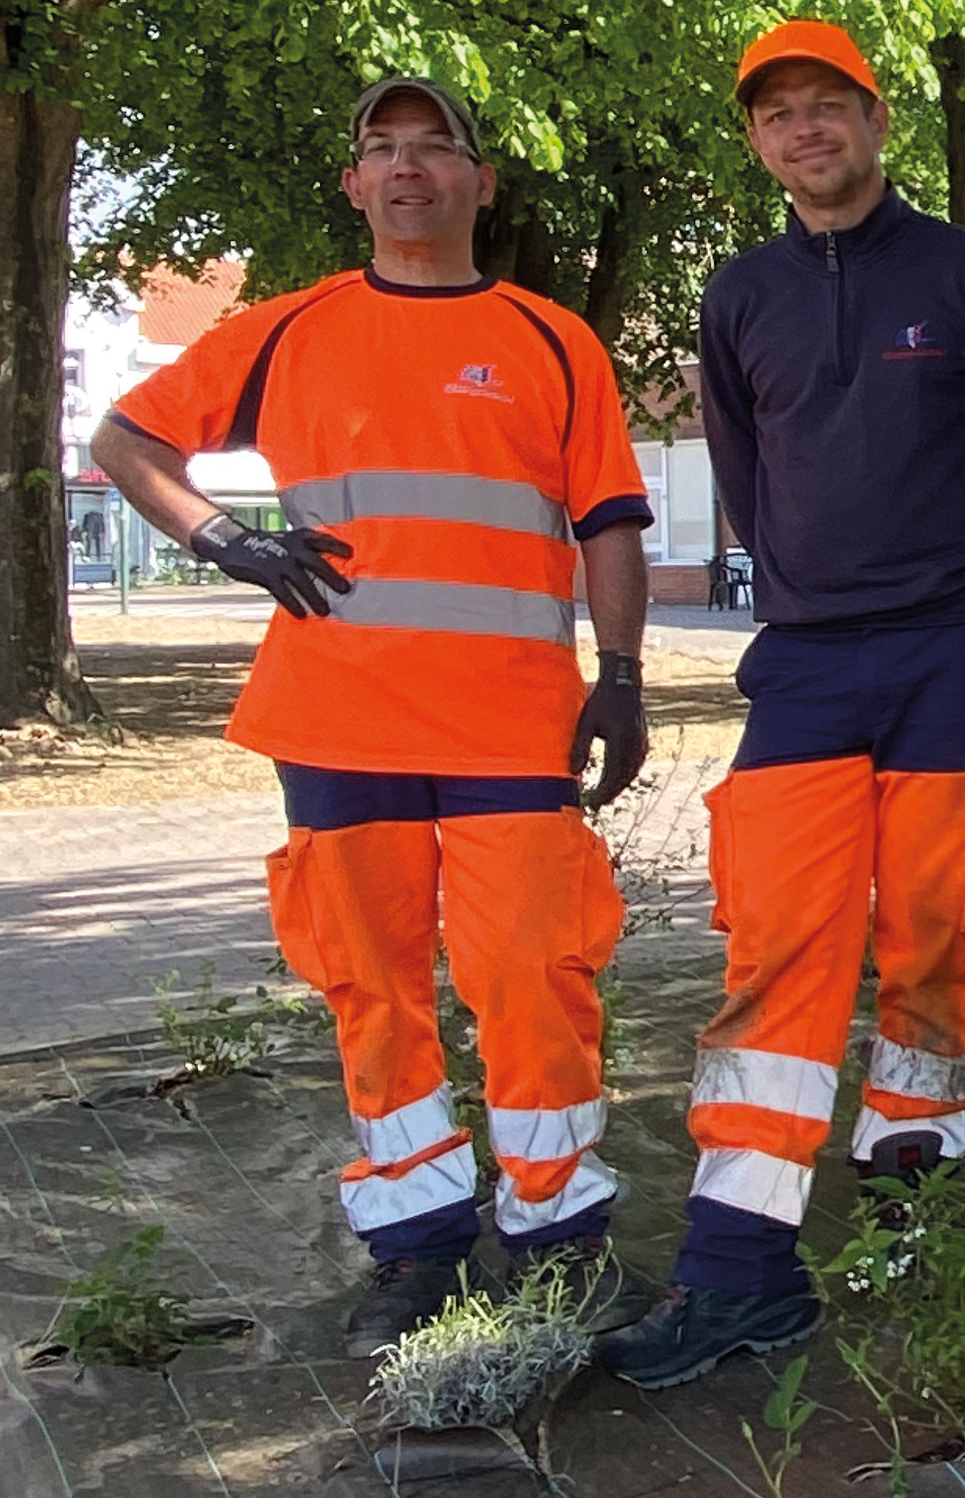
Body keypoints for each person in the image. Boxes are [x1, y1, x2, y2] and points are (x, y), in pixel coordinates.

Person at [94, 77, 653, 1355]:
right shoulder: (289, 330)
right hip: (337, 725)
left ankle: (560, 1233)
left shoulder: (555, 340)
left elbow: (610, 520)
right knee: (375, 989)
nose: (408, 168)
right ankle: (415, 1245)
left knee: (530, 977)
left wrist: (619, 678)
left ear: (480, 181)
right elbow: (126, 439)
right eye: (381, 150)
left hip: (516, 727)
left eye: (435, 148)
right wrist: (227, 539)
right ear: (353, 186)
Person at [599, 21, 965, 1389]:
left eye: (827, 106)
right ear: (758, 143)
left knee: (937, 933)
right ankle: (742, 1269)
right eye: (776, 116)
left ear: (875, 119)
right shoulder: (737, 292)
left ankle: (915, 1185)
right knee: (781, 943)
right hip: (806, 662)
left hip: (955, 652)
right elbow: (744, 471)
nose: (804, 132)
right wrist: (797, 576)